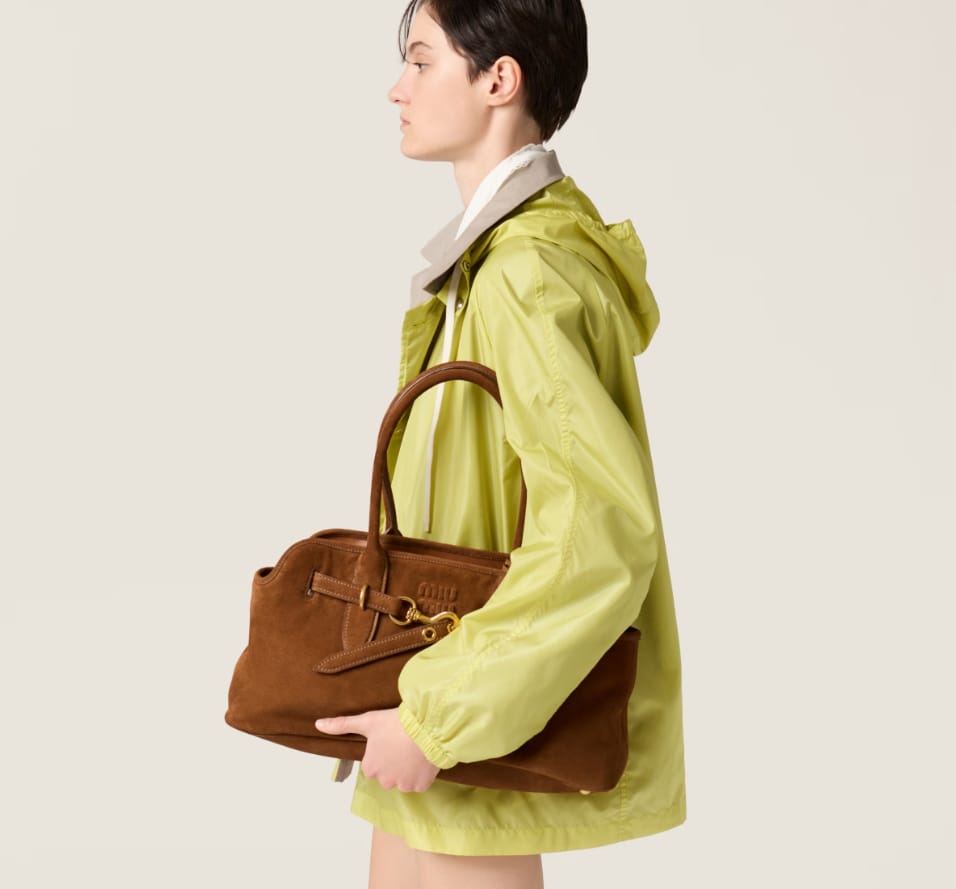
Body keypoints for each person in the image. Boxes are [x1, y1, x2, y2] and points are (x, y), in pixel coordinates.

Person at [314, 2, 686, 886]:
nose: (396, 89)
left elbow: (599, 533)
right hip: (436, 687)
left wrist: (438, 718)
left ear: (499, 80)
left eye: (420, 61)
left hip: (462, 715)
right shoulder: (486, 266)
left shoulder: (525, 273)